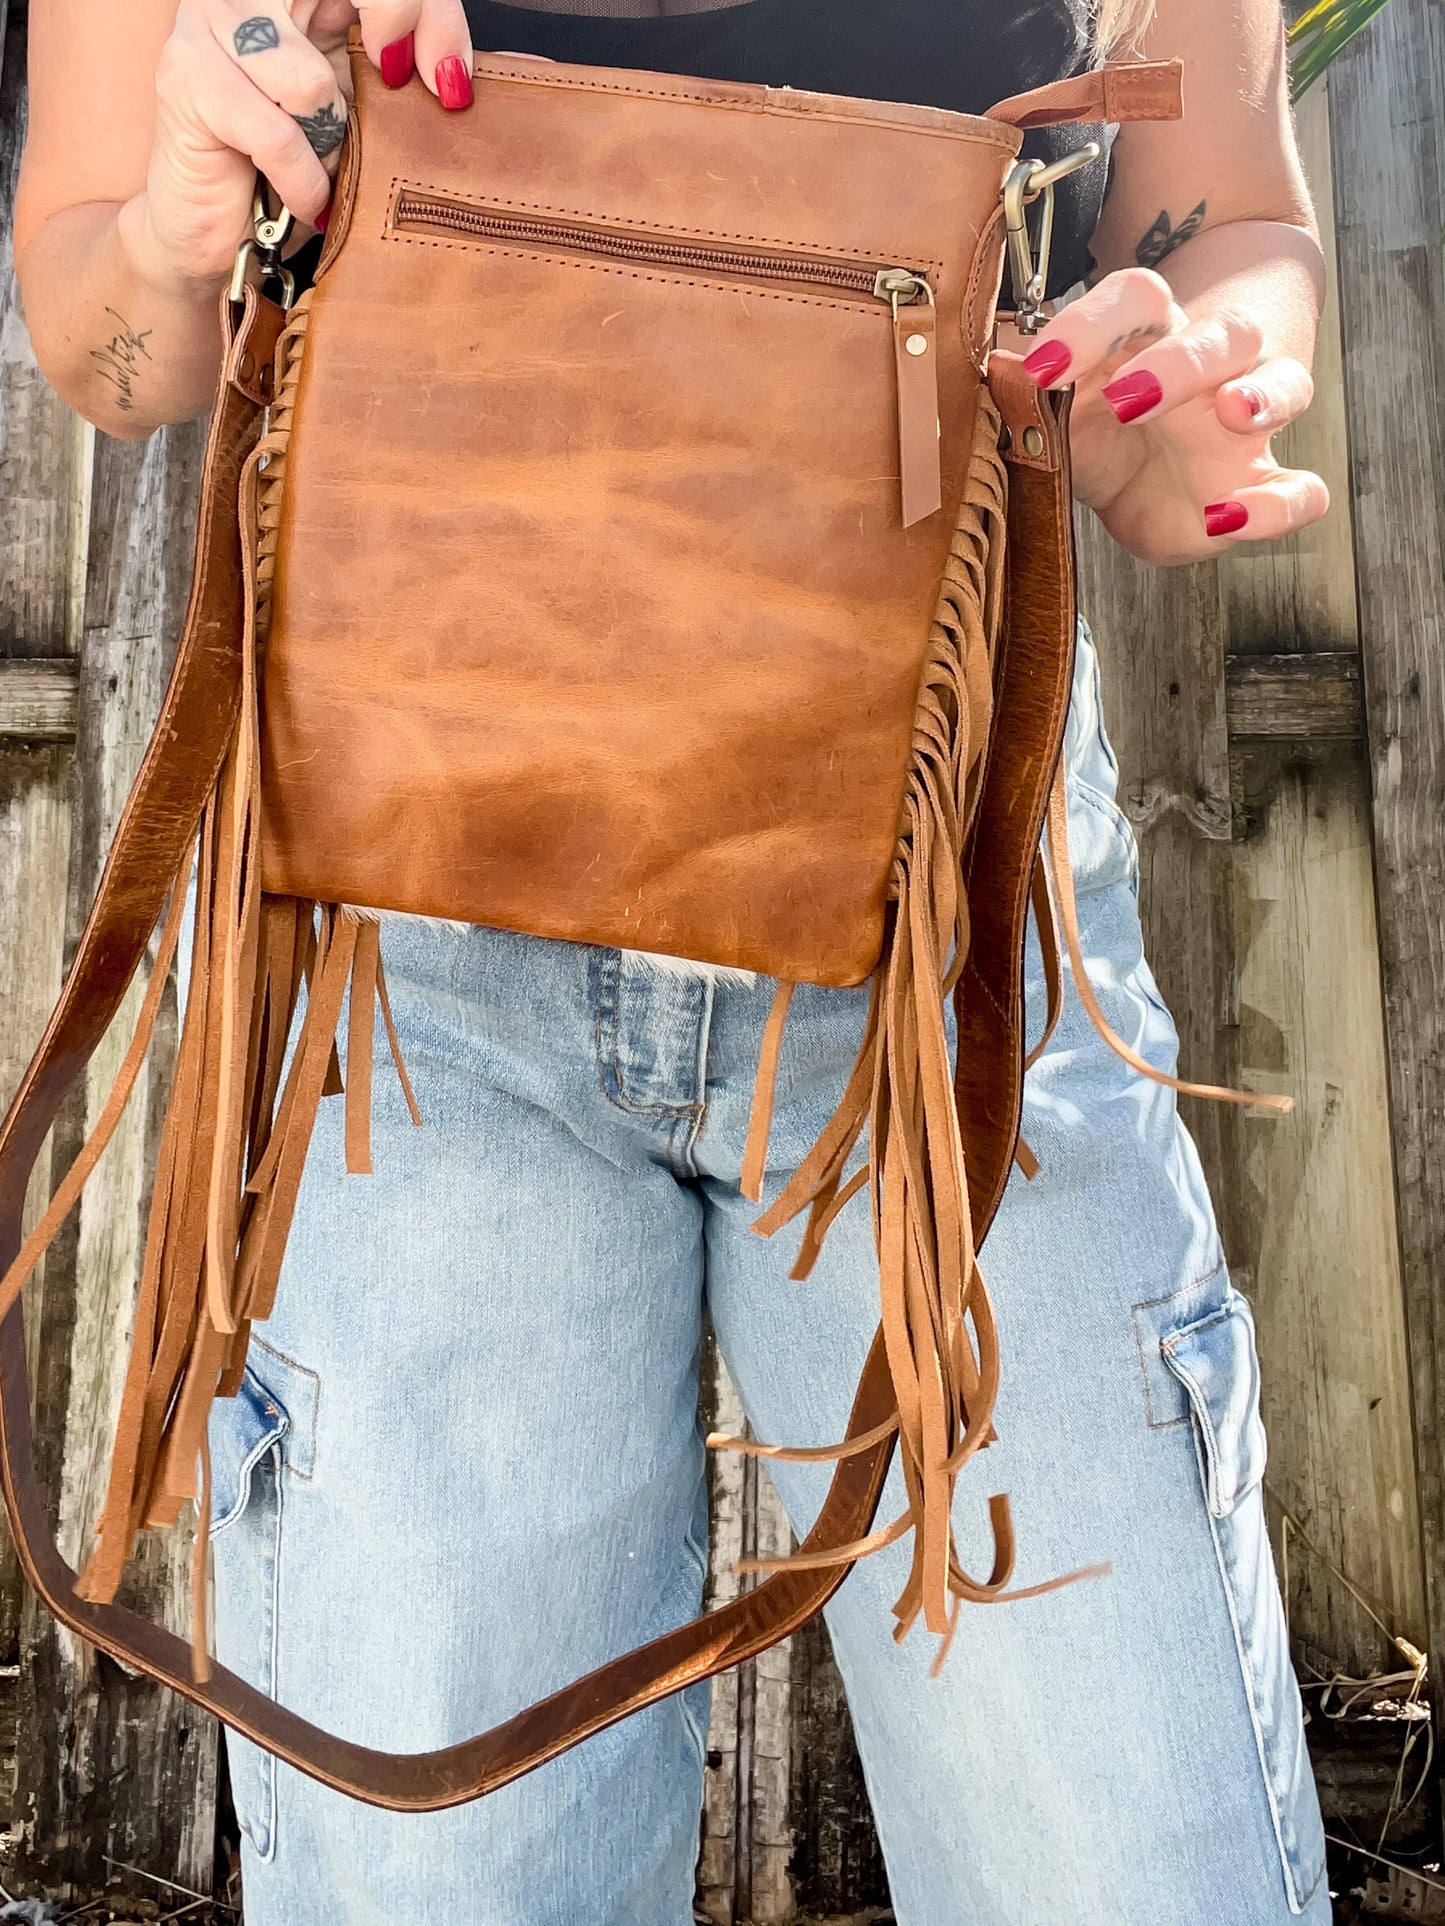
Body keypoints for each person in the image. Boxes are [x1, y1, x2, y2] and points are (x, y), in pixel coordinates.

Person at [15, 1, 1332, 1921]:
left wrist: (1200, 383)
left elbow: (1223, 221)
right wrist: (163, 246)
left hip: (942, 932)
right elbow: (104, 330)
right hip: (407, 969)